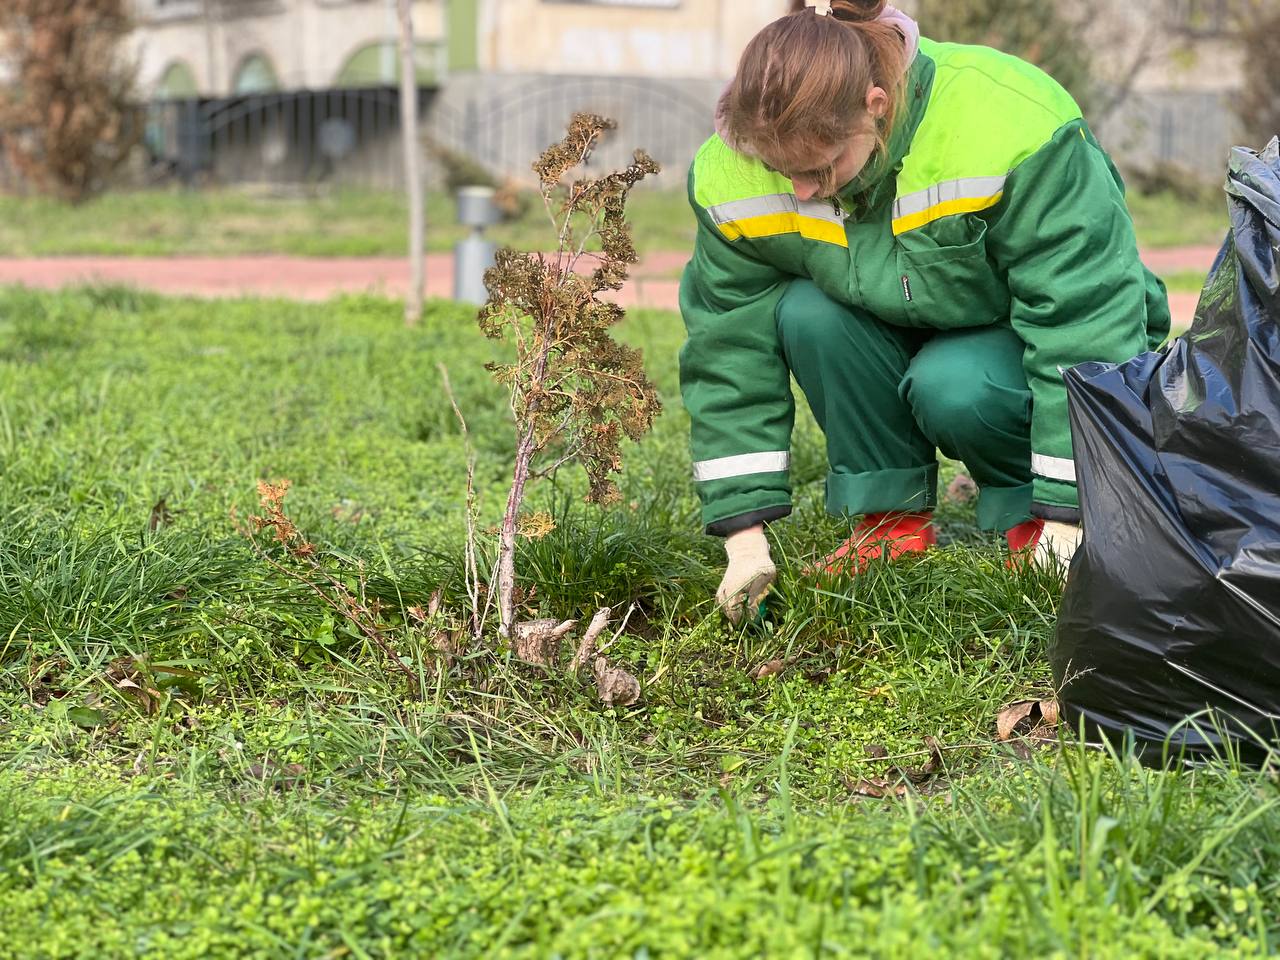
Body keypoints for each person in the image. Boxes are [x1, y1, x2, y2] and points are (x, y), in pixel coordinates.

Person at [678, 0, 1170, 622]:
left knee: (953, 384)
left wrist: (1070, 511)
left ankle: (1035, 519)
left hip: (1015, 334)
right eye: (782, 171)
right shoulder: (732, 174)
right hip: (894, 315)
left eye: (819, 168)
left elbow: (1084, 321)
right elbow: (727, 350)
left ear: (875, 107)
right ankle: (890, 522)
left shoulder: (1010, 121)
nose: (800, 191)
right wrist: (742, 541)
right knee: (807, 312)